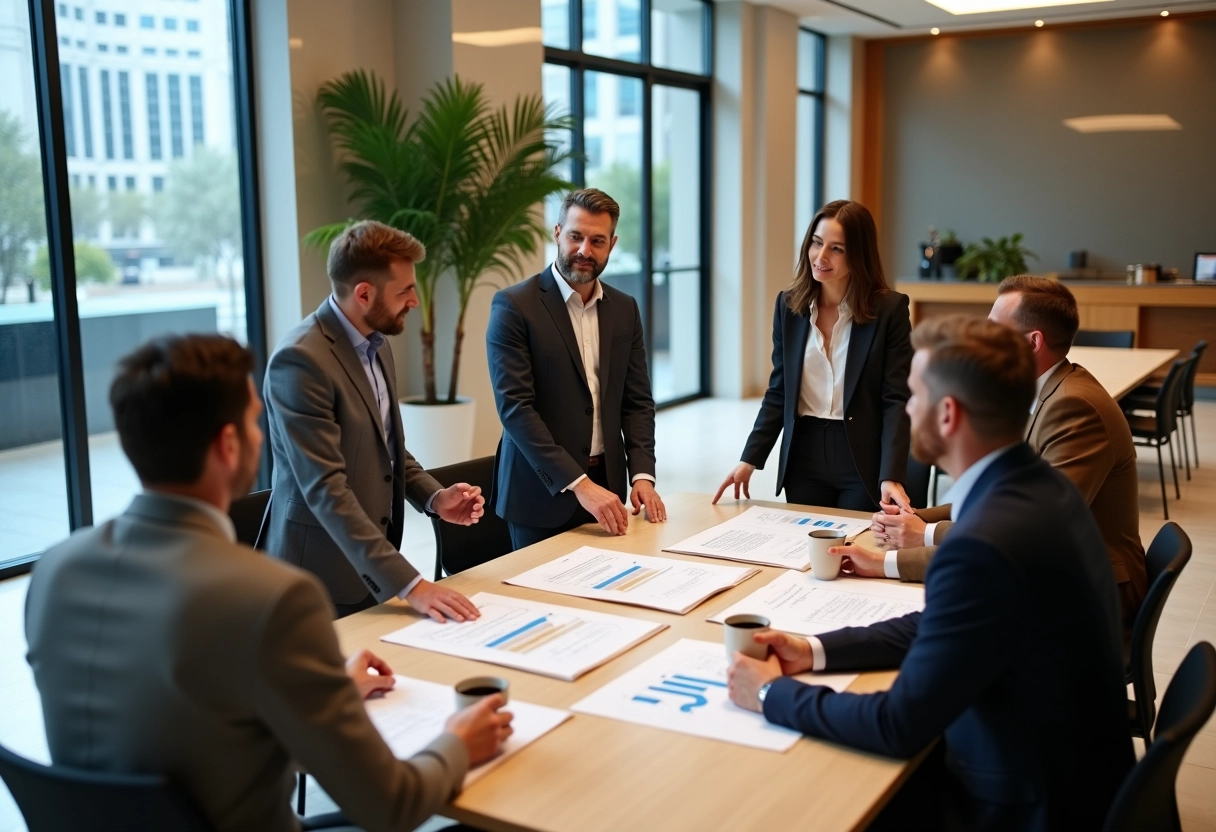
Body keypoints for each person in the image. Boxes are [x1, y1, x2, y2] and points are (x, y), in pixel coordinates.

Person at [24, 334, 513, 832]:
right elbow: (391, 806)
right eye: (256, 421)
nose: (264, 435)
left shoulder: (56, 571)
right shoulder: (272, 597)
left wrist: (319, 691)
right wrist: (457, 742)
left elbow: (169, 716)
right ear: (229, 445)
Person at [725, 316, 1133, 831]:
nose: (904, 407)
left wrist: (768, 693)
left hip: (1023, 802)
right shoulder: (1036, 488)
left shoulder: (986, 542)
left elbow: (899, 724)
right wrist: (814, 650)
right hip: (1071, 770)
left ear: (947, 414)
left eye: (913, 395)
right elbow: (940, 624)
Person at [852, 276, 1147, 646]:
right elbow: (999, 503)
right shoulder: (1041, 393)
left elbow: (1032, 531)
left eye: (994, 328)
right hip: (1047, 567)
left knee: (939, 630)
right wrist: (914, 519)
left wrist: (909, 546)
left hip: (1089, 589)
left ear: (1031, 342)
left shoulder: (1074, 407)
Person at [263, 220, 483, 620]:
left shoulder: (377, 344)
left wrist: (435, 498)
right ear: (364, 294)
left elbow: (387, 445)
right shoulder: (301, 361)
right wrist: (412, 585)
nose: (415, 300)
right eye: (404, 291)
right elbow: (326, 491)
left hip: (372, 567)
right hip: (319, 582)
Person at [486, 188, 665, 550]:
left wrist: (643, 475)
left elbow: (637, 401)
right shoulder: (514, 307)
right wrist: (580, 485)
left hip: (609, 488)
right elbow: (516, 410)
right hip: (540, 496)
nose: (585, 250)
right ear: (557, 233)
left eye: (597, 240)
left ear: (611, 245)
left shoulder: (625, 309)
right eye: (575, 236)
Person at [713, 200, 913, 513]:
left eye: (837, 249)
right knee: (807, 552)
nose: (821, 257)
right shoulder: (789, 306)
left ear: (858, 254)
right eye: (817, 243)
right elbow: (780, 390)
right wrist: (749, 459)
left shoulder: (889, 311)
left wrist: (891, 475)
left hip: (861, 457)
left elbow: (896, 399)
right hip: (803, 457)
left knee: (854, 551)